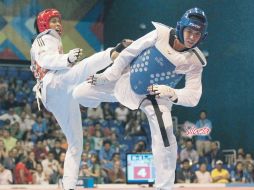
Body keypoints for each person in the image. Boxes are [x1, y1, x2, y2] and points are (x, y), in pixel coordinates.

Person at [73, 7, 208, 190]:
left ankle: (164, 187)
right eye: (190, 31)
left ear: (202, 36)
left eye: (197, 34)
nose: (192, 37)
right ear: (180, 27)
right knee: (80, 94)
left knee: (166, 132)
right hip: (126, 81)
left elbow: (193, 97)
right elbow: (129, 52)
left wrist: (171, 92)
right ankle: (100, 97)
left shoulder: (195, 61)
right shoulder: (159, 33)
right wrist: (108, 75)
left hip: (155, 98)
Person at [30, 8, 131, 190]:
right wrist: (66, 59)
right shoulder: (44, 37)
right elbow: (46, 59)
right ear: (43, 24)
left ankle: (68, 186)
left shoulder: (53, 40)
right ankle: (114, 52)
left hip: (56, 96)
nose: (58, 24)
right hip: (52, 84)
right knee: (82, 69)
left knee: (76, 142)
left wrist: (66, 61)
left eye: (59, 21)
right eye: (53, 21)